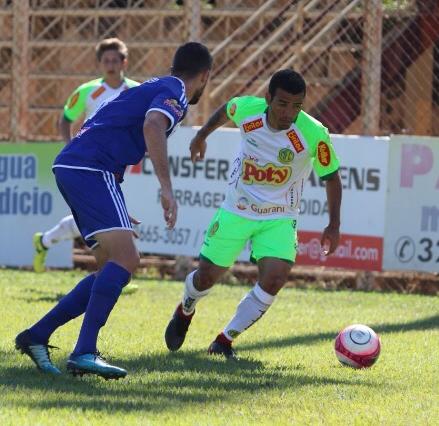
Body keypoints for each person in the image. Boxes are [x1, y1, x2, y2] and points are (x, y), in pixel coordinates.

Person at [16, 42, 213, 379]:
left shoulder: (155, 84)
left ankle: (36, 335)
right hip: (91, 169)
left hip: (77, 167)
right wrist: (166, 188)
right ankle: (85, 352)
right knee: (127, 260)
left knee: (110, 266)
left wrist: (117, 205)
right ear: (205, 76)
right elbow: (153, 126)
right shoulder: (176, 91)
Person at [164, 69, 342, 360]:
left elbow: (332, 177)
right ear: (268, 98)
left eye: (297, 106)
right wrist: (201, 136)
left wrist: (333, 224)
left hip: (280, 217)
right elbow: (227, 110)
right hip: (237, 210)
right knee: (206, 277)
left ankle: (224, 340)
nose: (289, 112)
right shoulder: (248, 110)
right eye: (282, 103)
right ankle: (186, 308)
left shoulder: (313, 133)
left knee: (275, 278)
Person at [33, 37, 139, 273]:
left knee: (103, 214)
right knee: (101, 214)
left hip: (120, 163)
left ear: (124, 62)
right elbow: (66, 119)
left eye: (115, 60)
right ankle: (113, 270)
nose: (110, 64)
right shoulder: (88, 91)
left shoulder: (135, 90)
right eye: (106, 60)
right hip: (92, 163)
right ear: (100, 63)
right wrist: (70, 146)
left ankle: (45, 241)